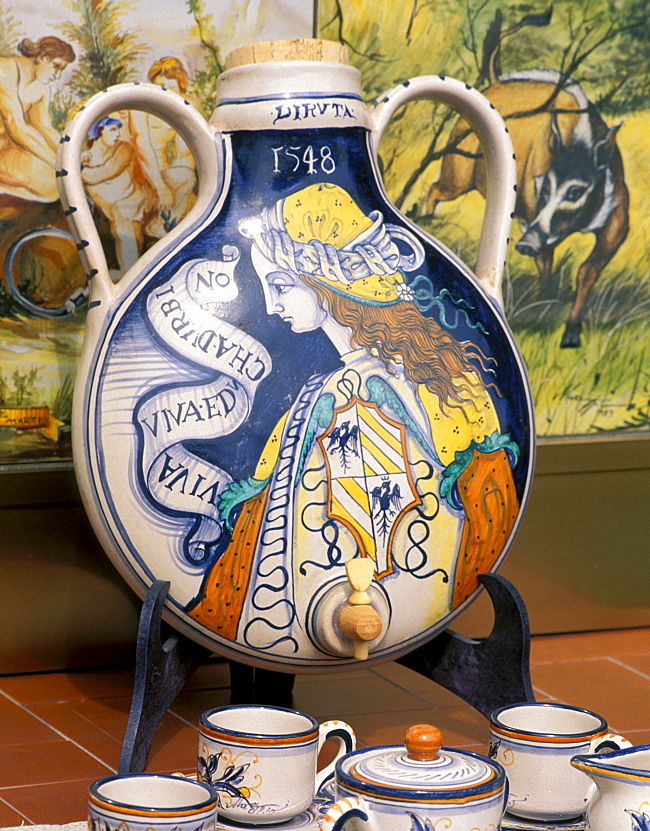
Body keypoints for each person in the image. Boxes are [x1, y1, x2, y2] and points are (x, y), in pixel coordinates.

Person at [190, 182, 520, 659]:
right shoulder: (452, 382)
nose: (269, 305)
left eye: (281, 285)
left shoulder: (341, 397)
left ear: (328, 280)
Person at [0, 36, 75, 205]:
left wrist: (70, 154)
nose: (57, 76)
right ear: (41, 57)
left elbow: (44, 128)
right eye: (56, 66)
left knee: (54, 186)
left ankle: (4, 190)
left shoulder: (41, 88)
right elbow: (15, 125)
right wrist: (56, 163)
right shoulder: (5, 71)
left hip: (7, 152)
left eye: (61, 70)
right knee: (50, 182)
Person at [81, 115, 158, 274]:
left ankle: (130, 276)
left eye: (118, 130)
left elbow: (106, 171)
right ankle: (127, 273)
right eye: (112, 130)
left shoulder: (124, 148)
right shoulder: (88, 155)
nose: (117, 134)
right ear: (100, 132)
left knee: (124, 220)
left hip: (134, 200)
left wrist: (82, 170)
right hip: (112, 209)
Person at [144, 57, 197, 234]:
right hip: (153, 175)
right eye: (161, 89)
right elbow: (145, 153)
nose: (168, 95)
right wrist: (160, 187)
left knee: (188, 182)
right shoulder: (147, 112)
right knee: (187, 180)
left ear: (180, 82)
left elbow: (190, 155)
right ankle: (162, 224)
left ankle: (166, 224)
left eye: (172, 88)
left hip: (180, 176)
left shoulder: (190, 105)